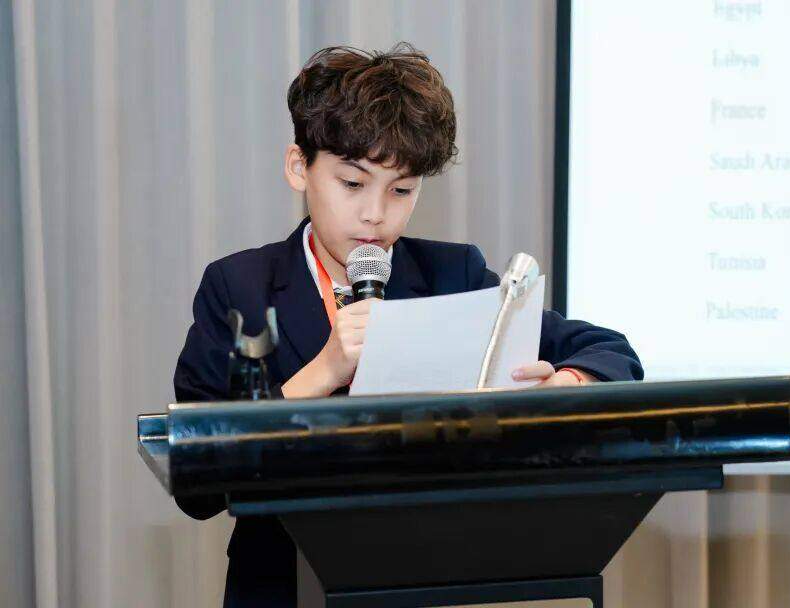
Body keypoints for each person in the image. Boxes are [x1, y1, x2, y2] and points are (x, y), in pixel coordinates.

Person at [173, 42, 643, 608]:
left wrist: (563, 387)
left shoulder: (451, 275)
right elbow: (196, 485)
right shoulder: (238, 286)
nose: (375, 214)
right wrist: (323, 372)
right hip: (282, 586)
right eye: (352, 184)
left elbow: (609, 352)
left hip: (421, 580)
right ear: (300, 167)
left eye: (401, 190)